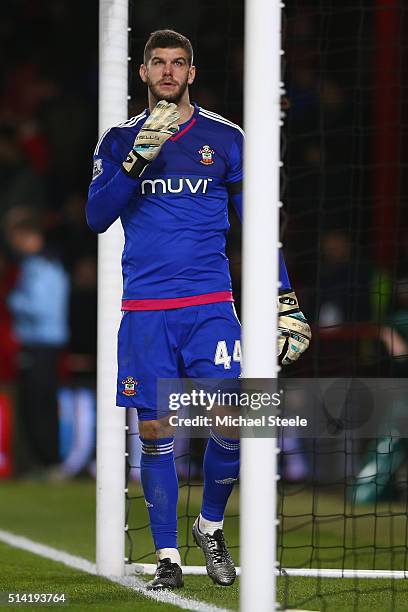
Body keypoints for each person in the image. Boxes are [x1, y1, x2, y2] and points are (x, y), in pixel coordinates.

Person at [86, 29, 311, 590]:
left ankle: (210, 526)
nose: (167, 71)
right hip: (145, 309)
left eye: (178, 63)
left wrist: (284, 298)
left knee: (235, 419)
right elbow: (95, 217)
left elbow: (257, 227)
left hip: (210, 305)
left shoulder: (224, 138)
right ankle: (167, 557)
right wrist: (138, 161)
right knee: (155, 430)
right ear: (142, 72)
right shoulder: (118, 141)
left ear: (192, 72)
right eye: (157, 62)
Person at [6, 213, 69, 472]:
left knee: (42, 404)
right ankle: (39, 461)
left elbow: (45, 308)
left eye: (18, 237)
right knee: (32, 404)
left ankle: (50, 461)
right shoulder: (32, 264)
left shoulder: (46, 265)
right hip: (34, 344)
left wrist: (13, 301)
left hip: (44, 345)